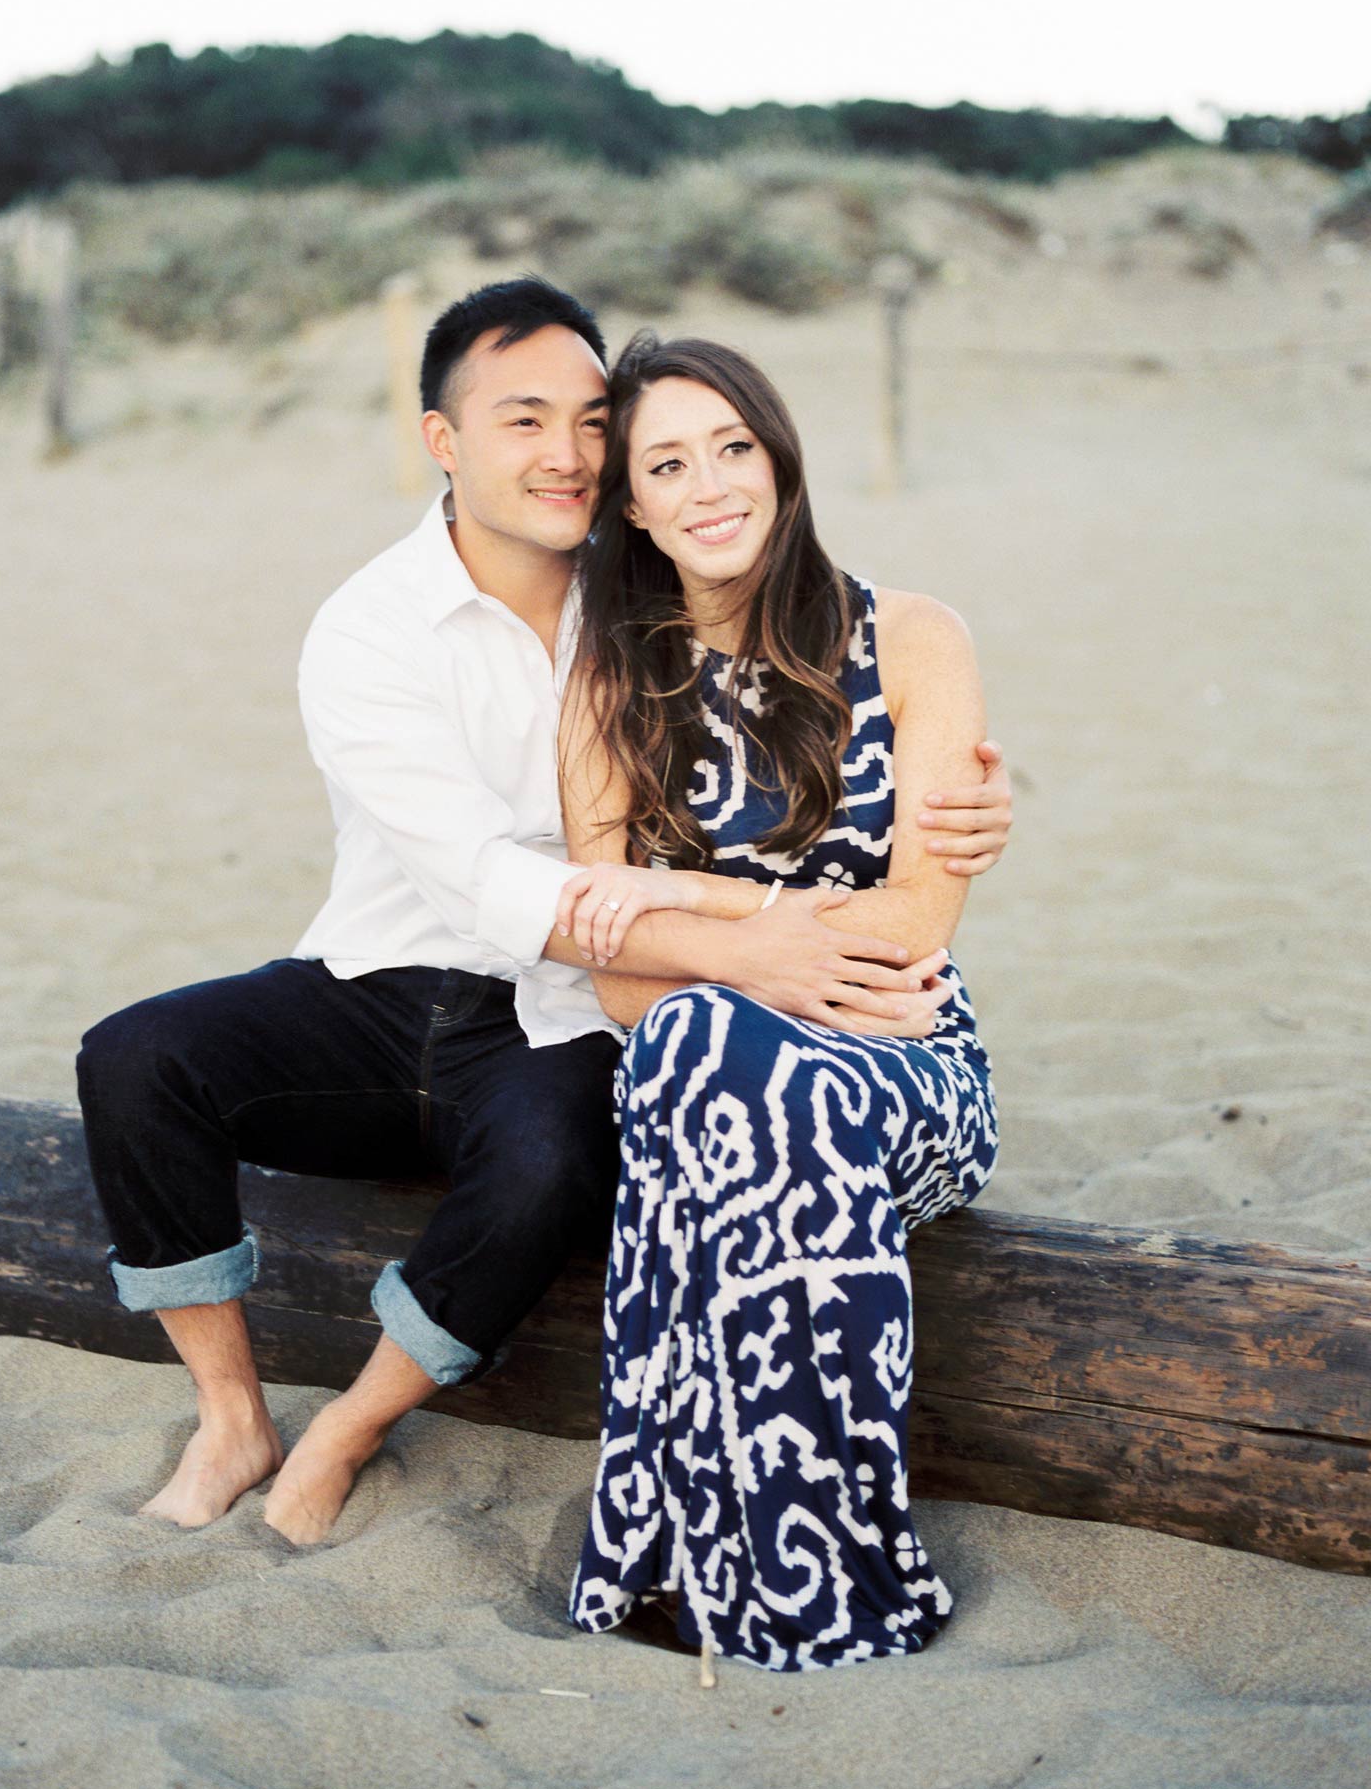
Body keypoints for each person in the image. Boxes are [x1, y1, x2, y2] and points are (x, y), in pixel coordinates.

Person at [74, 279, 1013, 1548]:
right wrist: (747, 921)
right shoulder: (370, 628)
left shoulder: (647, 604)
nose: (566, 455)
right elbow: (483, 883)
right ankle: (231, 1413)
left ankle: (353, 1425)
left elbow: (829, 754)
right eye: (525, 421)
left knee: (546, 1162)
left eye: (588, 422)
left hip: (566, 1009)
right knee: (135, 1059)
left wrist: (953, 820)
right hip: (394, 973)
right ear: (443, 442)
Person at [558, 331, 999, 1671]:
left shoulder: (912, 637)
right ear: (630, 504)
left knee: (727, 1051)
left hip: (904, 1051)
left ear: (780, 457)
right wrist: (761, 937)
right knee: (710, 1040)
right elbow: (609, 967)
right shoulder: (611, 678)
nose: (710, 487)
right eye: (668, 464)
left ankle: (678, 1554)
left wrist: (682, 913)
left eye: (733, 448)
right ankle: (817, 1579)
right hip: (718, 1075)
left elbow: (916, 922)